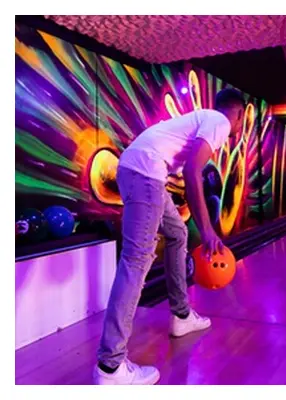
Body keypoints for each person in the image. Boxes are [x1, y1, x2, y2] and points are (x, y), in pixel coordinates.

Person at [93, 89, 245, 385]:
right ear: (239, 113)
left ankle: (182, 316)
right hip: (145, 173)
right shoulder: (220, 121)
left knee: (176, 234)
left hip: (142, 173)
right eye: (242, 119)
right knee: (137, 260)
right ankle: (110, 366)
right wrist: (208, 229)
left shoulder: (203, 118)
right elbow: (192, 171)